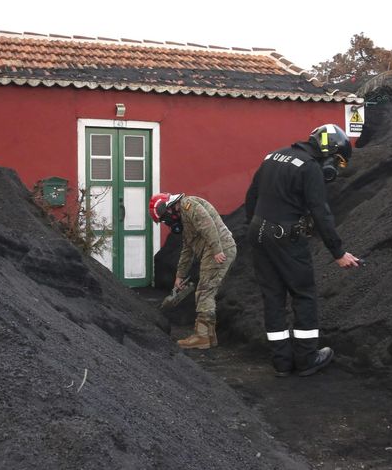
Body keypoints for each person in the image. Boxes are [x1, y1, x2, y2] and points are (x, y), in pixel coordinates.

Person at [244, 123, 361, 377]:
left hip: (257, 231)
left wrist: (255, 226)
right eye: (337, 161)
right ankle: (307, 358)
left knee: (273, 297)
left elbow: (251, 195)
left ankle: (282, 362)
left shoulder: (274, 155)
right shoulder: (310, 167)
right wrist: (338, 252)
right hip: (285, 236)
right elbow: (321, 213)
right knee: (303, 294)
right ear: (330, 152)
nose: (334, 168)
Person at [149, 192, 237, 350]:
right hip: (215, 249)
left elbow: (207, 224)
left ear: (167, 209)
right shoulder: (185, 218)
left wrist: (217, 250)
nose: (167, 223)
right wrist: (179, 276)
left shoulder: (188, 205)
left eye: (164, 220)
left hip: (217, 250)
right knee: (207, 290)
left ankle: (202, 337)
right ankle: (209, 337)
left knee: (204, 291)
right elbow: (187, 250)